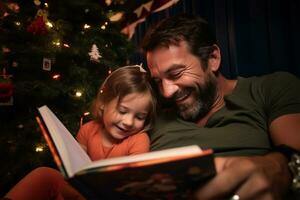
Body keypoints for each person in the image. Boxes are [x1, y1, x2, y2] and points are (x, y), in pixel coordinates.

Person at [141, 14, 300, 199]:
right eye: (158, 81)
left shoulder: (270, 89)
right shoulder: (152, 114)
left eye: (176, 73)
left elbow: (295, 155)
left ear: (213, 58)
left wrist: (276, 169)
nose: (166, 92)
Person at [4, 65, 157, 200]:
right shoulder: (88, 129)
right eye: (122, 111)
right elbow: (75, 166)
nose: (129, 122)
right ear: (103, 103)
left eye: (139, 117)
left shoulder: (139, 139)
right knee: (45, 174)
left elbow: (133, 181)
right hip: (81, 191)